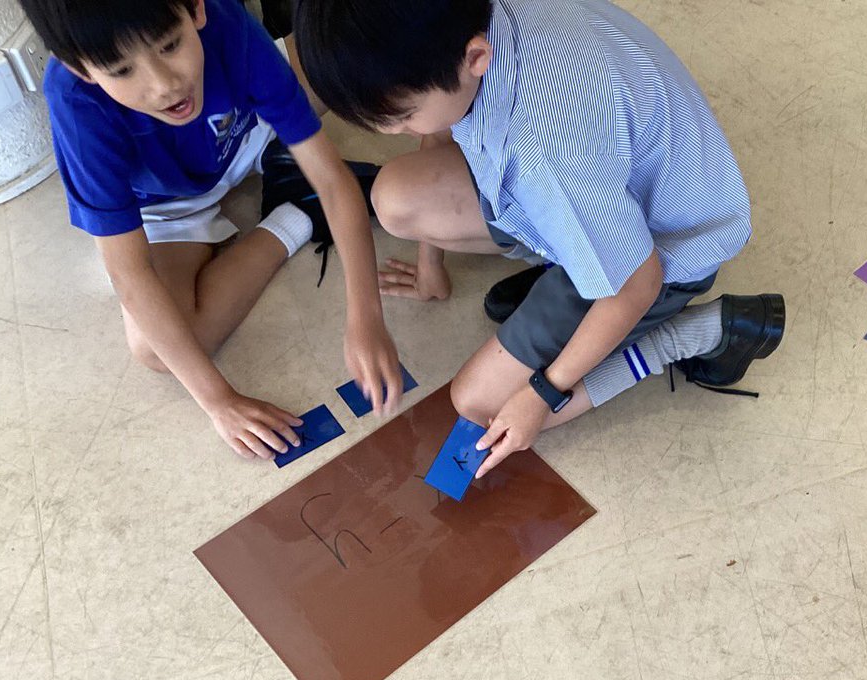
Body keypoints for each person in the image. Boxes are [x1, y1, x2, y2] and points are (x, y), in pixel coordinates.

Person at [293, 0, 785, 477]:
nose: (395, 131)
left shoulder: (547, 152)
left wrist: (542, 395)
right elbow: (447, 123)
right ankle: (562, 264)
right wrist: (431, 267)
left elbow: (638, 281)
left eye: (402, 116)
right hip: (601, 197)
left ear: (476, 58)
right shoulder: (466, 25)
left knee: (480, 405)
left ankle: (685, 337)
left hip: (657, 255)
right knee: (397, 198)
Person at [23, 0, 406, 460]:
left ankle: (281, 162)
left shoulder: (228, 24)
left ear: (197, 10)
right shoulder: (74, 101)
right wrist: (217, 401)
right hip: (167, 205)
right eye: (122, 70)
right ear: (79, 68)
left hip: (249, 128)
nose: (164, 85)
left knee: (353, 42)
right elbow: (130, 273)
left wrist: (366, 316)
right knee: (155, 348)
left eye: (170, 44)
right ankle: (294, 213)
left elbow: (330, 177)